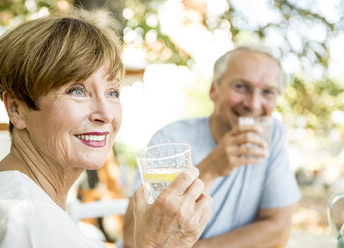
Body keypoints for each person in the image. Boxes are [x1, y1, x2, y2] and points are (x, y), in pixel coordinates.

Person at [0, 9, 213, 248]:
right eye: (77, 91)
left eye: (112, 92)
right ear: (16, 109)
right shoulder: (27, 219)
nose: (106, 114)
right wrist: (157, 245)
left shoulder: (20, 202)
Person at [123, 46, 301, 248]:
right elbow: (132, 238)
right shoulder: (171, 139)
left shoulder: (273, 134)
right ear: (214, 90)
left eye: (268, 92)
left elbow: (278, 231)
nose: (253, 104)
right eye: (241, 87)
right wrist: (211, 168)